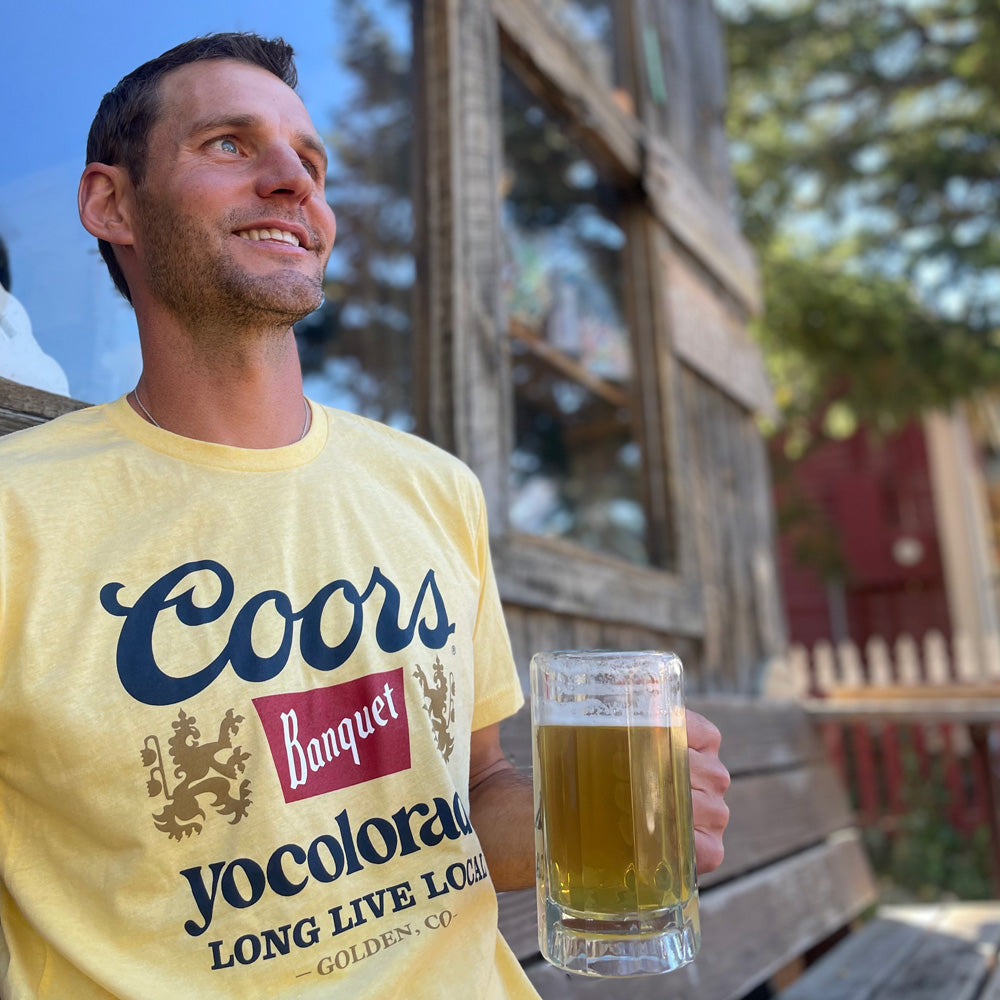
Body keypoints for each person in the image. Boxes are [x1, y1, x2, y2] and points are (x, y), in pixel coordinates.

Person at [0, 33, 730, 1000]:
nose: (291, 181)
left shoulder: (434, 488)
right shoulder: (20, 511)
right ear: (112, 204)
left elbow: (475, 792)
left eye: (311, 162)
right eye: (229, 143)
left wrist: (591, 818)